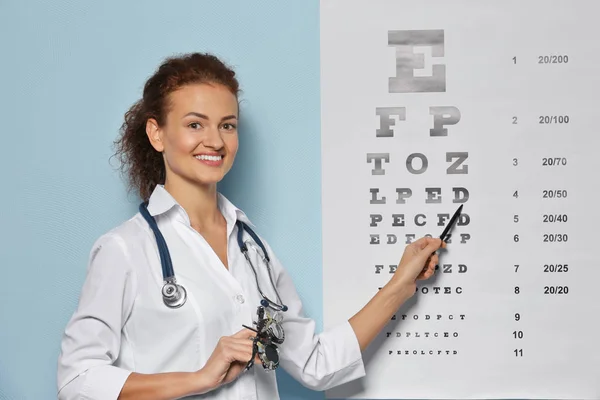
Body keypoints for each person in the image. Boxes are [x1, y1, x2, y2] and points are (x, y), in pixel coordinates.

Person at [56, 52, 445, 400]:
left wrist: (400, 285)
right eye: (195, 125)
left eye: (227, 125)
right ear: (157, 133)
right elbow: (77, 381)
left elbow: (316, 364)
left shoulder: (253, 248)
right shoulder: (124, 249)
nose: (215, 141)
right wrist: (198, 378)